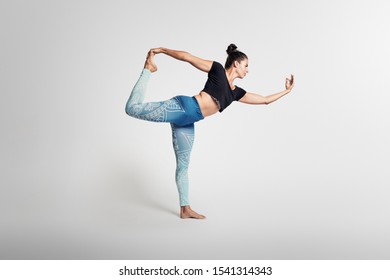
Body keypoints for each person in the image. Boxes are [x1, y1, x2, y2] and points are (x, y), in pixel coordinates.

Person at [125, 44, 294, 219]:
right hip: (181, 107)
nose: (247, 70)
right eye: (246, 65)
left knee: (183, 166)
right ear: (236, 64)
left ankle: (185, 209)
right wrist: (163, 51)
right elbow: (188, 57)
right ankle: (148, 69)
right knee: (132, 108)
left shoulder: (236, 93)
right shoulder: (217, 70)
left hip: (188, 121)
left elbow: (265, 100)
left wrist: (287, 91)